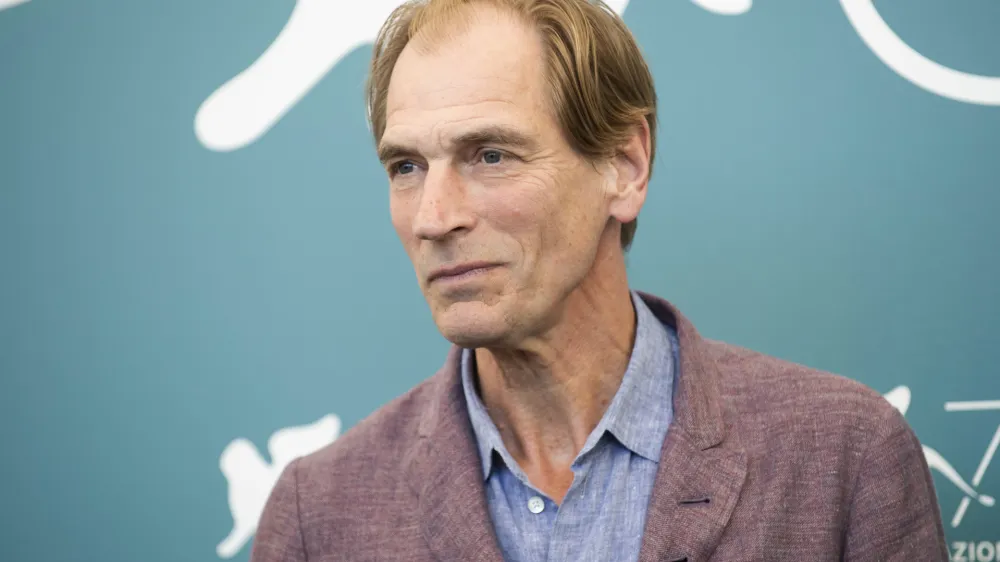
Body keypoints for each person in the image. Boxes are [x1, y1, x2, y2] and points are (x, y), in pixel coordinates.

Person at [250, 0, 949, 560]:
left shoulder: (845, 458)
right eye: (406, 167)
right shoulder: (321, 513)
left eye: (490, 155)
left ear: (625, 167)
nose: (433, 217)